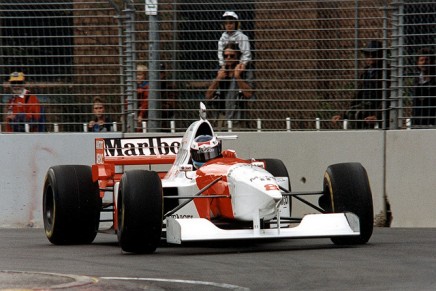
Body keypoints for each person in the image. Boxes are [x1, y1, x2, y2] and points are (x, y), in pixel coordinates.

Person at [332, 40, 389, 129]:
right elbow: (357, 95)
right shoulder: (365, 72)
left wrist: (377, 116)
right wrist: (342, 115)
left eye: (373, 54)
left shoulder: (386, 72)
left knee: (360, 114)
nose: (370, 57)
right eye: (367, 55)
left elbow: (387, 97)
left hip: (376, 107)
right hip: (365, 105)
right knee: (353, 112)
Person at [206, 42, 254, 131]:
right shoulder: (220, 71)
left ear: (237, 57)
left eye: (231, 56)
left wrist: (237, 77)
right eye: (226, 56)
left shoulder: (244, 72)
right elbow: (208, 96)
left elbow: (249, 94)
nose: (228, 58)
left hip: (237, 116)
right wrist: (218, 79)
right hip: (221, 115)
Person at [411, 47, 436, 127]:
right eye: (421, 60)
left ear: (432, 62)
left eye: (426, 60)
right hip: (418, 121)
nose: (424, 63)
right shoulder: (416, 80)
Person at [159, 63, 176, 131]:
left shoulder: (169, 86)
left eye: (162, 73)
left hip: (165, 112)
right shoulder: (148, 86)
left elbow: (172, 105)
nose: (160, 75)